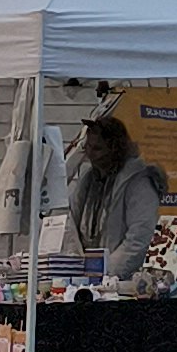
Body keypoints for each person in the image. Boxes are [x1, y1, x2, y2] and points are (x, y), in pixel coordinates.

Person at [64, 114, 161, 285]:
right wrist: (77, 267)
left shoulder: (138, 182)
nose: (90, 154)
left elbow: (140, 235)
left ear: (115, 149)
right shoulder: (89, 179)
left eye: (97, 149)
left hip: (122, 283)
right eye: (88, 147)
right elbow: (70, 220)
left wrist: (107, 274)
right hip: (87, 280)